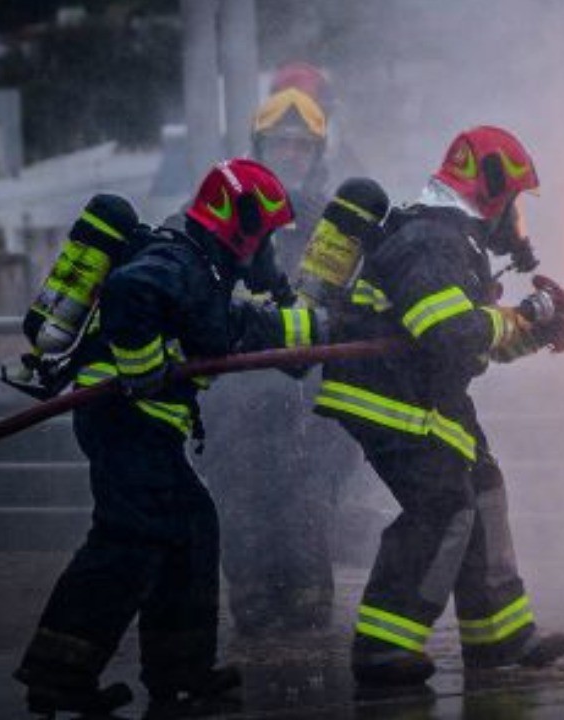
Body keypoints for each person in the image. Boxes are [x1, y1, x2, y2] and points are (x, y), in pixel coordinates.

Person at [13, 159, 324, 717]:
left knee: (189, 530)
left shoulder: (200, 263)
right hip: (123, 417)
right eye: (266, 238)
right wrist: (142, 365)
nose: (268, 254)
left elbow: (234, 327)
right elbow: (131, 294)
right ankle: (63, 670)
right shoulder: (181, 262)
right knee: (130, 539)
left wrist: (321, 326)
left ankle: (178, 678)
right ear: (241, 226)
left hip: (136, 423)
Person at [315, 125, 564, 685]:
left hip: (427, 395)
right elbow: (447, 334)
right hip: (388, 397)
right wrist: (529, 313)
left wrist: (541, 330)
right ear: (490, 190)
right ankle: (383, 646)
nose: (516, 220)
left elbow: (473, 337)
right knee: (441, 505)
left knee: (482, 489)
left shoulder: (453, 243)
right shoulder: (429, 240)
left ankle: (498, 637)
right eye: (513, 202)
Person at [198, 63, 369, 637]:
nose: (290, 154)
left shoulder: (332, 223)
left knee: (307, 511)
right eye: (280, 143)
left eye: (302, 145)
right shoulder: (222, 214)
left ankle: (308, 626)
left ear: (318, 153)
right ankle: (256, 625)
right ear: (259, 145)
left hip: (314, 409)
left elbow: (359, 301)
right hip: (234, 405)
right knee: (241, 512)